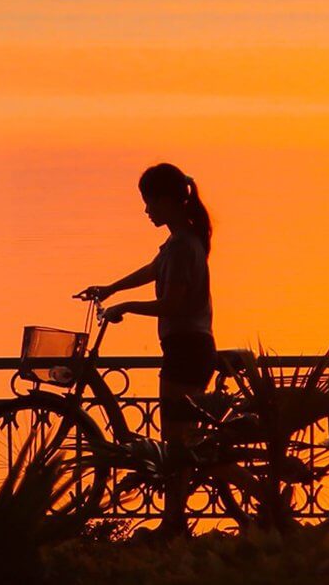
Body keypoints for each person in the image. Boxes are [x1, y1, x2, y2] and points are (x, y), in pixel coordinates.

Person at [79, 162, 214, 538]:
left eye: (149, 202)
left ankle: (175, 523)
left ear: (168, 200)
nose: (146, 210)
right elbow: (152, 270)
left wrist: (127, 308)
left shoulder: (186, 245)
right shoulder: (177, 242)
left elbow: (173, 304)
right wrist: (111, 289)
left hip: (187, 349)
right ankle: (175, 521)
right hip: (183, 348)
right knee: (181, 442)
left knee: (179, 446)